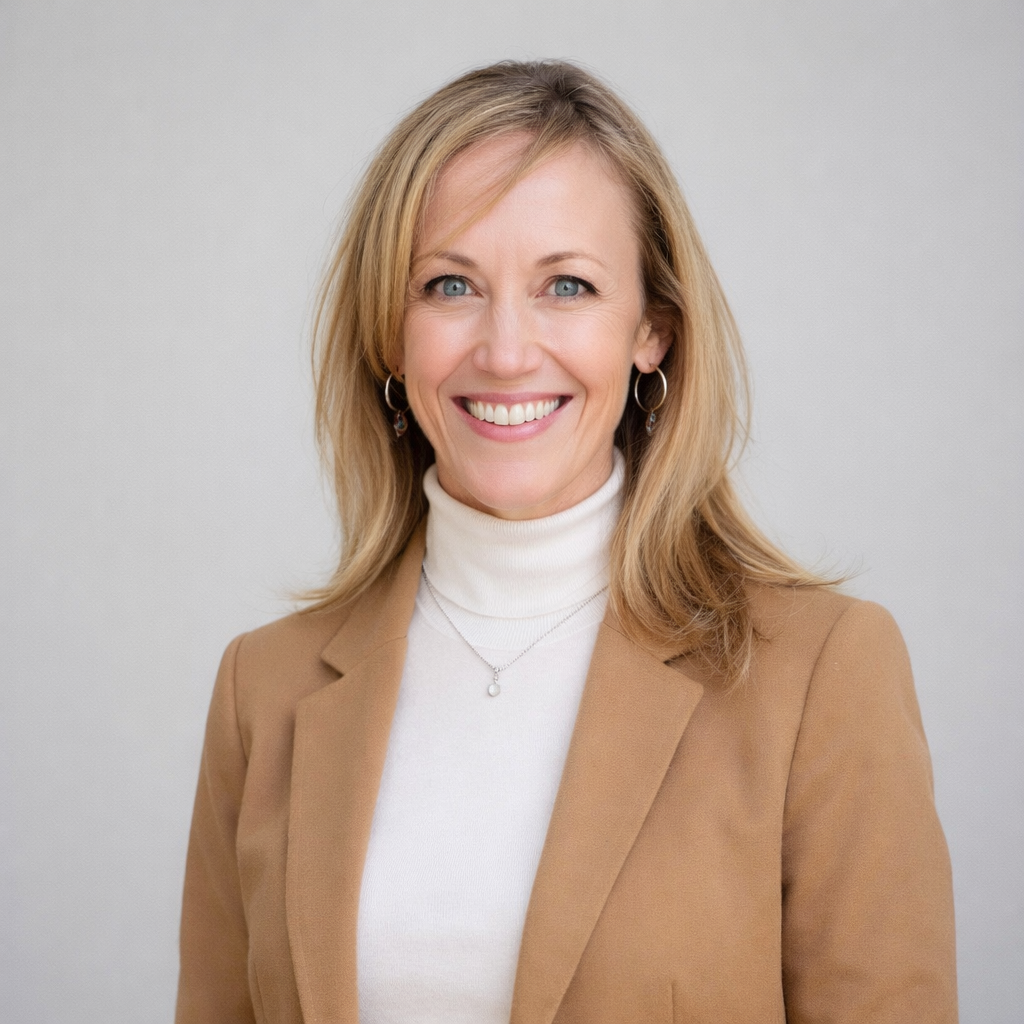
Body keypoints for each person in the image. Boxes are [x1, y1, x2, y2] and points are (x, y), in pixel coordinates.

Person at [175, 61, 957, 1024]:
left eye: (568, 286)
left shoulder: (821, 675)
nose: (505, 350)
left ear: (652, 332)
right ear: (390, 331)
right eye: (450, 284)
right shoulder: (266, 690)